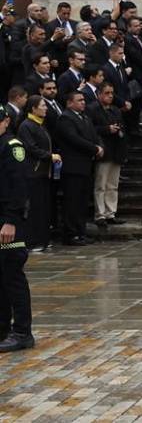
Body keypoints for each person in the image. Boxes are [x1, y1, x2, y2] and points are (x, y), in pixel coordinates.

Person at [0, 108, 33, 352]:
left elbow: (19, 186)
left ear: (6, 121)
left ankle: (22, 331)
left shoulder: (12, 146)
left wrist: (11, 219)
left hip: (9, 220)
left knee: (12, 274)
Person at [54, 88, 102, 245]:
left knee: (82, 202)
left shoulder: (85, 117)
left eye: (83, 100)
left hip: (86, 166)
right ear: (69, 103)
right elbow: (74, 139)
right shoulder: (65, 119)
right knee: (72, 202)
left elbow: (94, 135)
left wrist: (100, 146)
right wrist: (94, 148)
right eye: (79, 100)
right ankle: (70, 233)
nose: (83, 103)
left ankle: (81, 231)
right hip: (73, 167)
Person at [16, 95, 56, 253]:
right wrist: (49, 156)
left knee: (43, 207)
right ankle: (32, 240)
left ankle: (43, 239)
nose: (45, 108)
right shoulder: (26, 126)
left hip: (43, 173)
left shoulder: (40, 125)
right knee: (34, 208)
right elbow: (31, 148)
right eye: (42, 105)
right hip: (33, 173)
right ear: (33, 108)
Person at [88, 81, 127, 228]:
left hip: (116, 150)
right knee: (101, 185)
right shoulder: (92, 109)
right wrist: (106, 129)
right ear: (99, 94)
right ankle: (100, 214)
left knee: (112, 185)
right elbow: (90, 129)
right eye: (107, 93)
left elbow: (122, 125)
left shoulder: (115, 110)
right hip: (103, 150)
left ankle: (111, 212)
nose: (110, 96)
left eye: (112, 93)